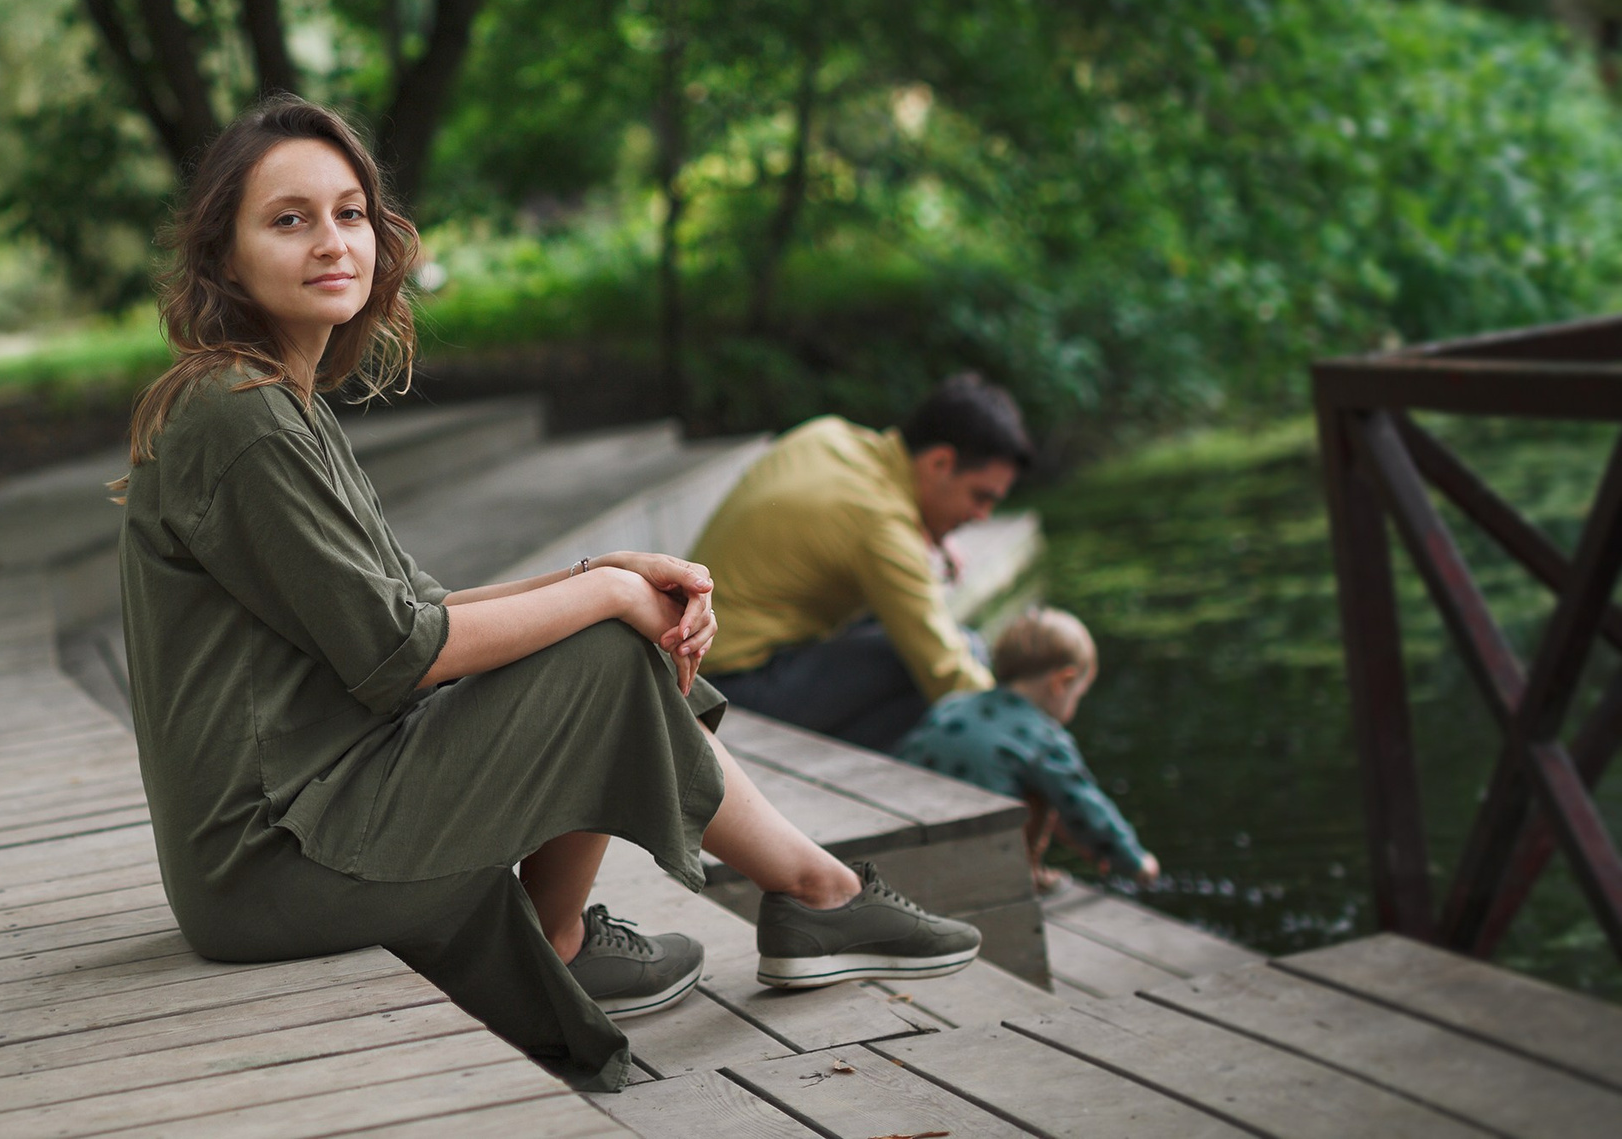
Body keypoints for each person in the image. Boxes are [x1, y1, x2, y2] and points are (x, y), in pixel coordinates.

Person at [115, 97, 982, 1092]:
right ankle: (796, 897)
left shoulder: (268, 401)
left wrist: (602, 578)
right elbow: (402, 654)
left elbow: (413, 608)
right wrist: (607, 598)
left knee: (607, 629)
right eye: (288, 218)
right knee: (607, 647)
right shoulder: (245, 418)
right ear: (222, 257)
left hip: (297, 820)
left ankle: (625, 925)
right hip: (274, 863)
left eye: (350, 213)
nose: (331, 241)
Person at [691, 375, 1032, 751]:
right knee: (937, 668)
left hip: (696, 667)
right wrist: (1032, 739)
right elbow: (946, 673)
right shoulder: (882, 525)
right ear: (940, 463)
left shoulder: (829, 435)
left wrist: (934, 534)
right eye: (980, 497)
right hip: (730, 695)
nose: (983, 516)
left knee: (926, 641)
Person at [894, 607, 1159, 893]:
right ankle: (1027, 874)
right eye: (1078, 695)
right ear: (1063, 682)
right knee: (1044, 790)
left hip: (906, 849)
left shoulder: (953, 705)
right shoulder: (1042, 738)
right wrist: (1136, 861)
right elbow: (1085, 805)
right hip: (975, 868)